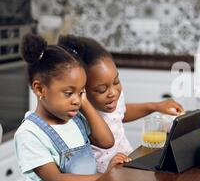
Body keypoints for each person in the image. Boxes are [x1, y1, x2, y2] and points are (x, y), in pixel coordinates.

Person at [15, 34, 128, 181]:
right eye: (69, 93)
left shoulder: (74, 119)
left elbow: (106, 140)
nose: (76, 100)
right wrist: (105, 177)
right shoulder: (30, 134)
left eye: (81, 91)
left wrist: (82, 101)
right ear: (40, 88)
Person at [58, 35, 184, 173]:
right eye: (101, 90)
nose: (113, 92)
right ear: (81, 90)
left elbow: (119, 114)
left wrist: (154, 106)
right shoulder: (79, 114)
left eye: (116, 81)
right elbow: (105, 141)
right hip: (101, 177)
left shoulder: (111, 98)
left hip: (126, 162)